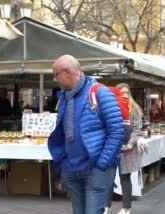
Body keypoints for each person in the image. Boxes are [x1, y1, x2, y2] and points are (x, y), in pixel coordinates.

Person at [48, 55, 125, 214]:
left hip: (95, 168)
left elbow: (117, 131)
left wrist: (102, 163)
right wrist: (64, 162)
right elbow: (63, 130)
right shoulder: (64, 97)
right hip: (72, 167)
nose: (54, 79)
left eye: (56, 74)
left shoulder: (100, 93)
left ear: (68, 72)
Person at [105, 83, 143, 214]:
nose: (125, 95)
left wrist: (131, 144)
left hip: (127, 149)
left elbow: (138, 130)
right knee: (108, 178)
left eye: (127, 92)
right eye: (122, 93)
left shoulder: (135, 110)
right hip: (111, 149)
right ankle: (106, 206)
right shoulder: (111, 109)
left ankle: (126, 208)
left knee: (124, 178)